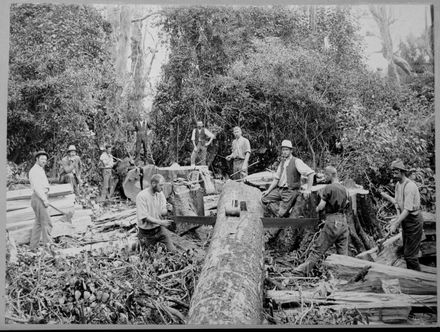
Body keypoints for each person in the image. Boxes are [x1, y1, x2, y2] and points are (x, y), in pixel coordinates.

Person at [293, 166, 350, 276]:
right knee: (343, 254)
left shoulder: (328, 188)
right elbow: (347, 205)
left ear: (330, 175)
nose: (324, 177)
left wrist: (315, 209)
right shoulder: (345, 189)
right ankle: (345, 275)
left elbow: (321, 206)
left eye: (325, 175)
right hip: (343, 222)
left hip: (332, 221)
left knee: (318, 248)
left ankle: (302, 270)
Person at [386, 159, 423, 271]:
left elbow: (407, 209)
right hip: (406, 221)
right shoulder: (398, 185)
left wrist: (396, 224)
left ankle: (418, 281)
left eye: (396, 172)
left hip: (414, 222)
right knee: (407, 253)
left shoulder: (410, 186)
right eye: (393, 172)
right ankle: (412, 278)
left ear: (402, 172)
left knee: (410, 256)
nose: (394, 174)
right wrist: (397, 221)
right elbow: (397, 204)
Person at [261, 140, 315, 217]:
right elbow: (276, 178)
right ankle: (280, 211)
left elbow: (311, 173)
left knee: (280, 214)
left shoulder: (296, 161)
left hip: (290, 191)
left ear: (291, 150)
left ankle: (282, 214)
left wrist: (308, 190)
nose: (284, 152)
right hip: (279, 190)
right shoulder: (282, 162)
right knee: (264, 198)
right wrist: (268, 190)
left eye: (286, 150)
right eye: (283, 150)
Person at [136, 174, 176, 252]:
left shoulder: (160, 194)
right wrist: (161, 222)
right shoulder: (142, 196)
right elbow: (144, 217)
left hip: (159, 230)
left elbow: (162, 212)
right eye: (161, 185)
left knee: (173, 252)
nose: (162, 188)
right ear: (153, 184)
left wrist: (168, 210)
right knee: (147, 257)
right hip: (146, 233)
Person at [28, 150, 53, 252]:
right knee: (47, 223)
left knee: (38, 224)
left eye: (45, 159)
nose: (44, 161)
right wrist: (44, 200)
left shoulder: (40, 170)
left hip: (39, 197)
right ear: (37, 159)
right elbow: (37, 188)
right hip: (39, 198)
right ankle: (49, 248)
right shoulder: (34, 171)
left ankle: (33, 247)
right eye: (42, 159)